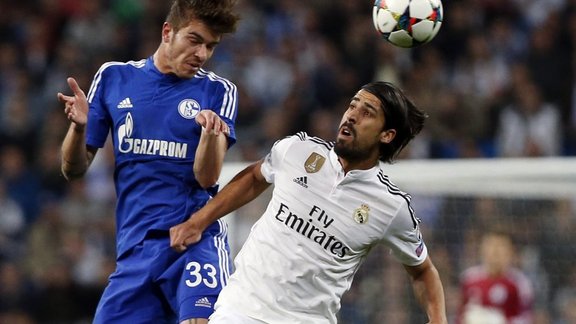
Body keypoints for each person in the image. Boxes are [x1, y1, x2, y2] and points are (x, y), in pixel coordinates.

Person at [170, 81, 448, 323]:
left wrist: (437, 318)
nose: (351, 116)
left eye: (367, 113)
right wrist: (199, 221)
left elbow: (422, 270)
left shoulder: (391, 207)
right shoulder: (298, 150)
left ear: (386, 135)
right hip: (242, 309)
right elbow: (255, 177)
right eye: (352, 106)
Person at [57, 1, 240, 323]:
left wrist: (210, 137)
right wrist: (79, 127)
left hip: (193, 237)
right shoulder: (114, 77)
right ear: (167, 32)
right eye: (195, 40)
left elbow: (207, 178)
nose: (202, 54)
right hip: (135, 249)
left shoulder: (218, 91)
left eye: (210, 46)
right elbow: (73, 169)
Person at [457, 230, 534, 324]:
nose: (495, 251)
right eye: (490, 245)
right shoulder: (469, 278)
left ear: (510, 252)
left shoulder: (519, 284)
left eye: (500, 246)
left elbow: (525, 318)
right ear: (482, 249)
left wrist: (498, 321)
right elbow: (460, 315)